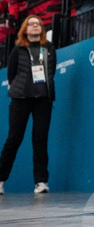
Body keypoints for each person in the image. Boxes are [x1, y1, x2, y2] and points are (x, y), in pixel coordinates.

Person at [0, 15, 57, 195]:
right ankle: (0, 180)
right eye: (31, 24)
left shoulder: (49, 48)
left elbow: (52, 71)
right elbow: (11, 75)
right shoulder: (17, 50)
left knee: (40, 139)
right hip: (21, 99)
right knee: (14, 138)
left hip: (43, 99)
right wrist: (21, 89)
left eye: (38, 24)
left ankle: (41, 182)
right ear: (25, 28)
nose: (35, 26)